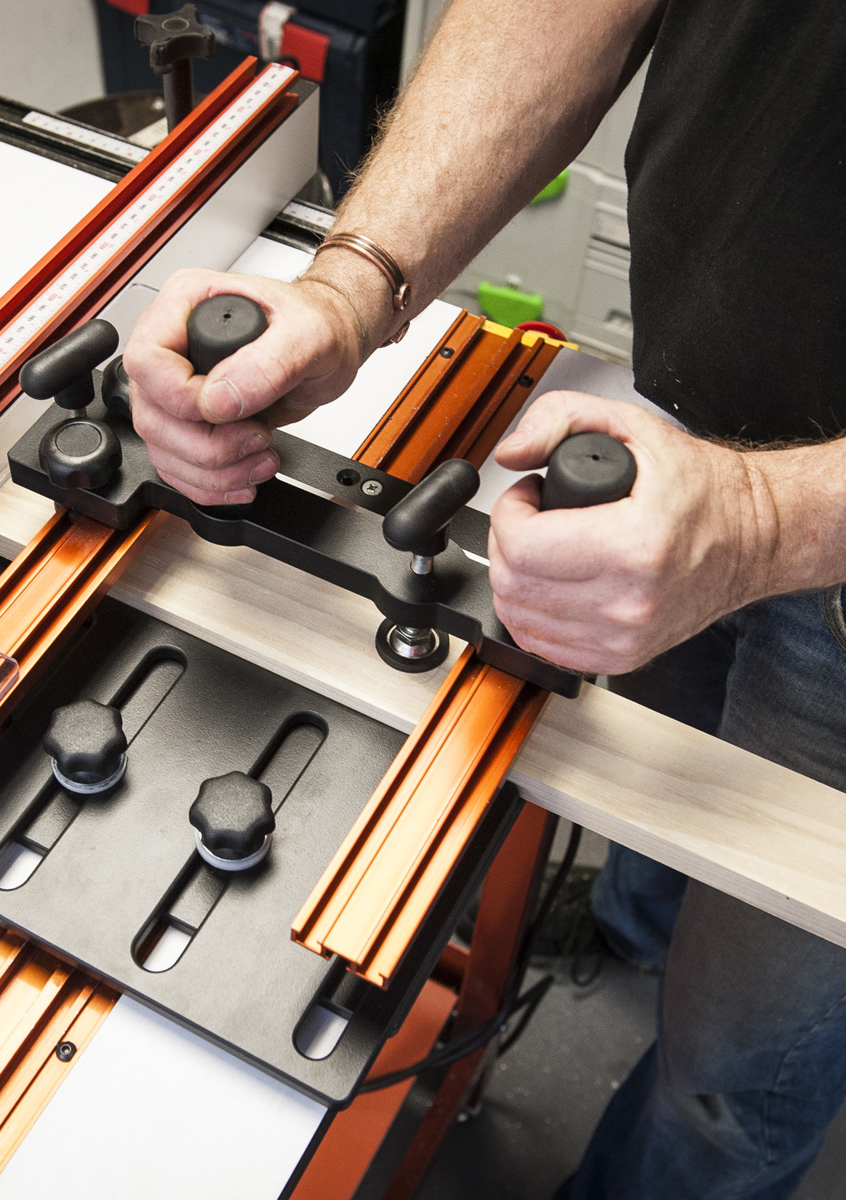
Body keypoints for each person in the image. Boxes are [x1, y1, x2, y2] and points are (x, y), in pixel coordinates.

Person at [124, 0, 846, 1196]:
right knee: (658, 771)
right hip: (688, 423)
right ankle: (634, 928)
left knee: (731, 1071)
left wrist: (770, 523)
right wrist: (351, 286)